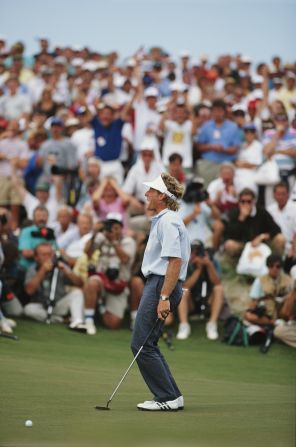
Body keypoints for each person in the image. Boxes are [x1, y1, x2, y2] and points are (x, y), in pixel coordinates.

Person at [131, 173, 190, 411]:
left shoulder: (168, 221)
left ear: (162, 197)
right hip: (159, 284)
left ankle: (167, 397)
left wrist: (164, 297)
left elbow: (174, 262)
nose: (147, 194)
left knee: (141, 345)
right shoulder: (166, 219)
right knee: (147, 344)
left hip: (160, 285)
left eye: (151, 191)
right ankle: (171, 395)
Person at [83, 213, 136, 333]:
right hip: (102, 279)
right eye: (109, 226)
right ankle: (88, 321)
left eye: (116, 227)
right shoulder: (101, 237)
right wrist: (94, 234)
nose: (112, 230)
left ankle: (101, 305)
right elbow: (87, 253)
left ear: (121, 228)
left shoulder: (128, 241)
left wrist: (114, 242)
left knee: (113, 323)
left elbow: (125, 259)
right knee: (92, 283)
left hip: (119, 283)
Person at [24, 242, 85, 330]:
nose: (48, 257)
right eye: (44, 255)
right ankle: (61, 320)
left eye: (50, 254)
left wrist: (66, 271)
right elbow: (29, 290)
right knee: (28, 310)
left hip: (59, 303)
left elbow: (80, 283)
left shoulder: (60, 266)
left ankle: (78, 321)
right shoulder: (32, 269)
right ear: (36, 257)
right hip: (42, 306)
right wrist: (42, 271)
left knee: (77, 293)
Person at [175, 240, 224, 341]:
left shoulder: (213, 261)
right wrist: (198, 269)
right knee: (183, 290)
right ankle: (184, 325)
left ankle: (212, 324)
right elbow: (185, 285)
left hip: (208, 301)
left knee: (219, 289)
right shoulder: (185, 263)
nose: (195, 254)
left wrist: (209, 265)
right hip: (191, 303)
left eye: (198, 252)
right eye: (193, 251)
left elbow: (217, 283)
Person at [223, 188, 285, 257]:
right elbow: (230, 235)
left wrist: (262, 236)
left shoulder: (261, 212)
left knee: (280, 238)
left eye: (249, 201)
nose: (246, 204)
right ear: (239, 202)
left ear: (253, 202)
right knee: (229, 244)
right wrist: (241, 218)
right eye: (243, 201)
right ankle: (234, 266)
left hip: (262, 243)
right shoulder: (234, 213)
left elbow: (276, 229)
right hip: (243, 245)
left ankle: (276, 263)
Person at [244, 254, 293, 326]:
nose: (274, 268)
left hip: (283, 310)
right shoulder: (260, 280)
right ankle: (273, 323)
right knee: (248, 315)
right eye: (271, 266)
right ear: (267, 266)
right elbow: (253, 300)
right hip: (267, 311)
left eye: (278, 266)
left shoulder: (288, 280)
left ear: (281, 267)